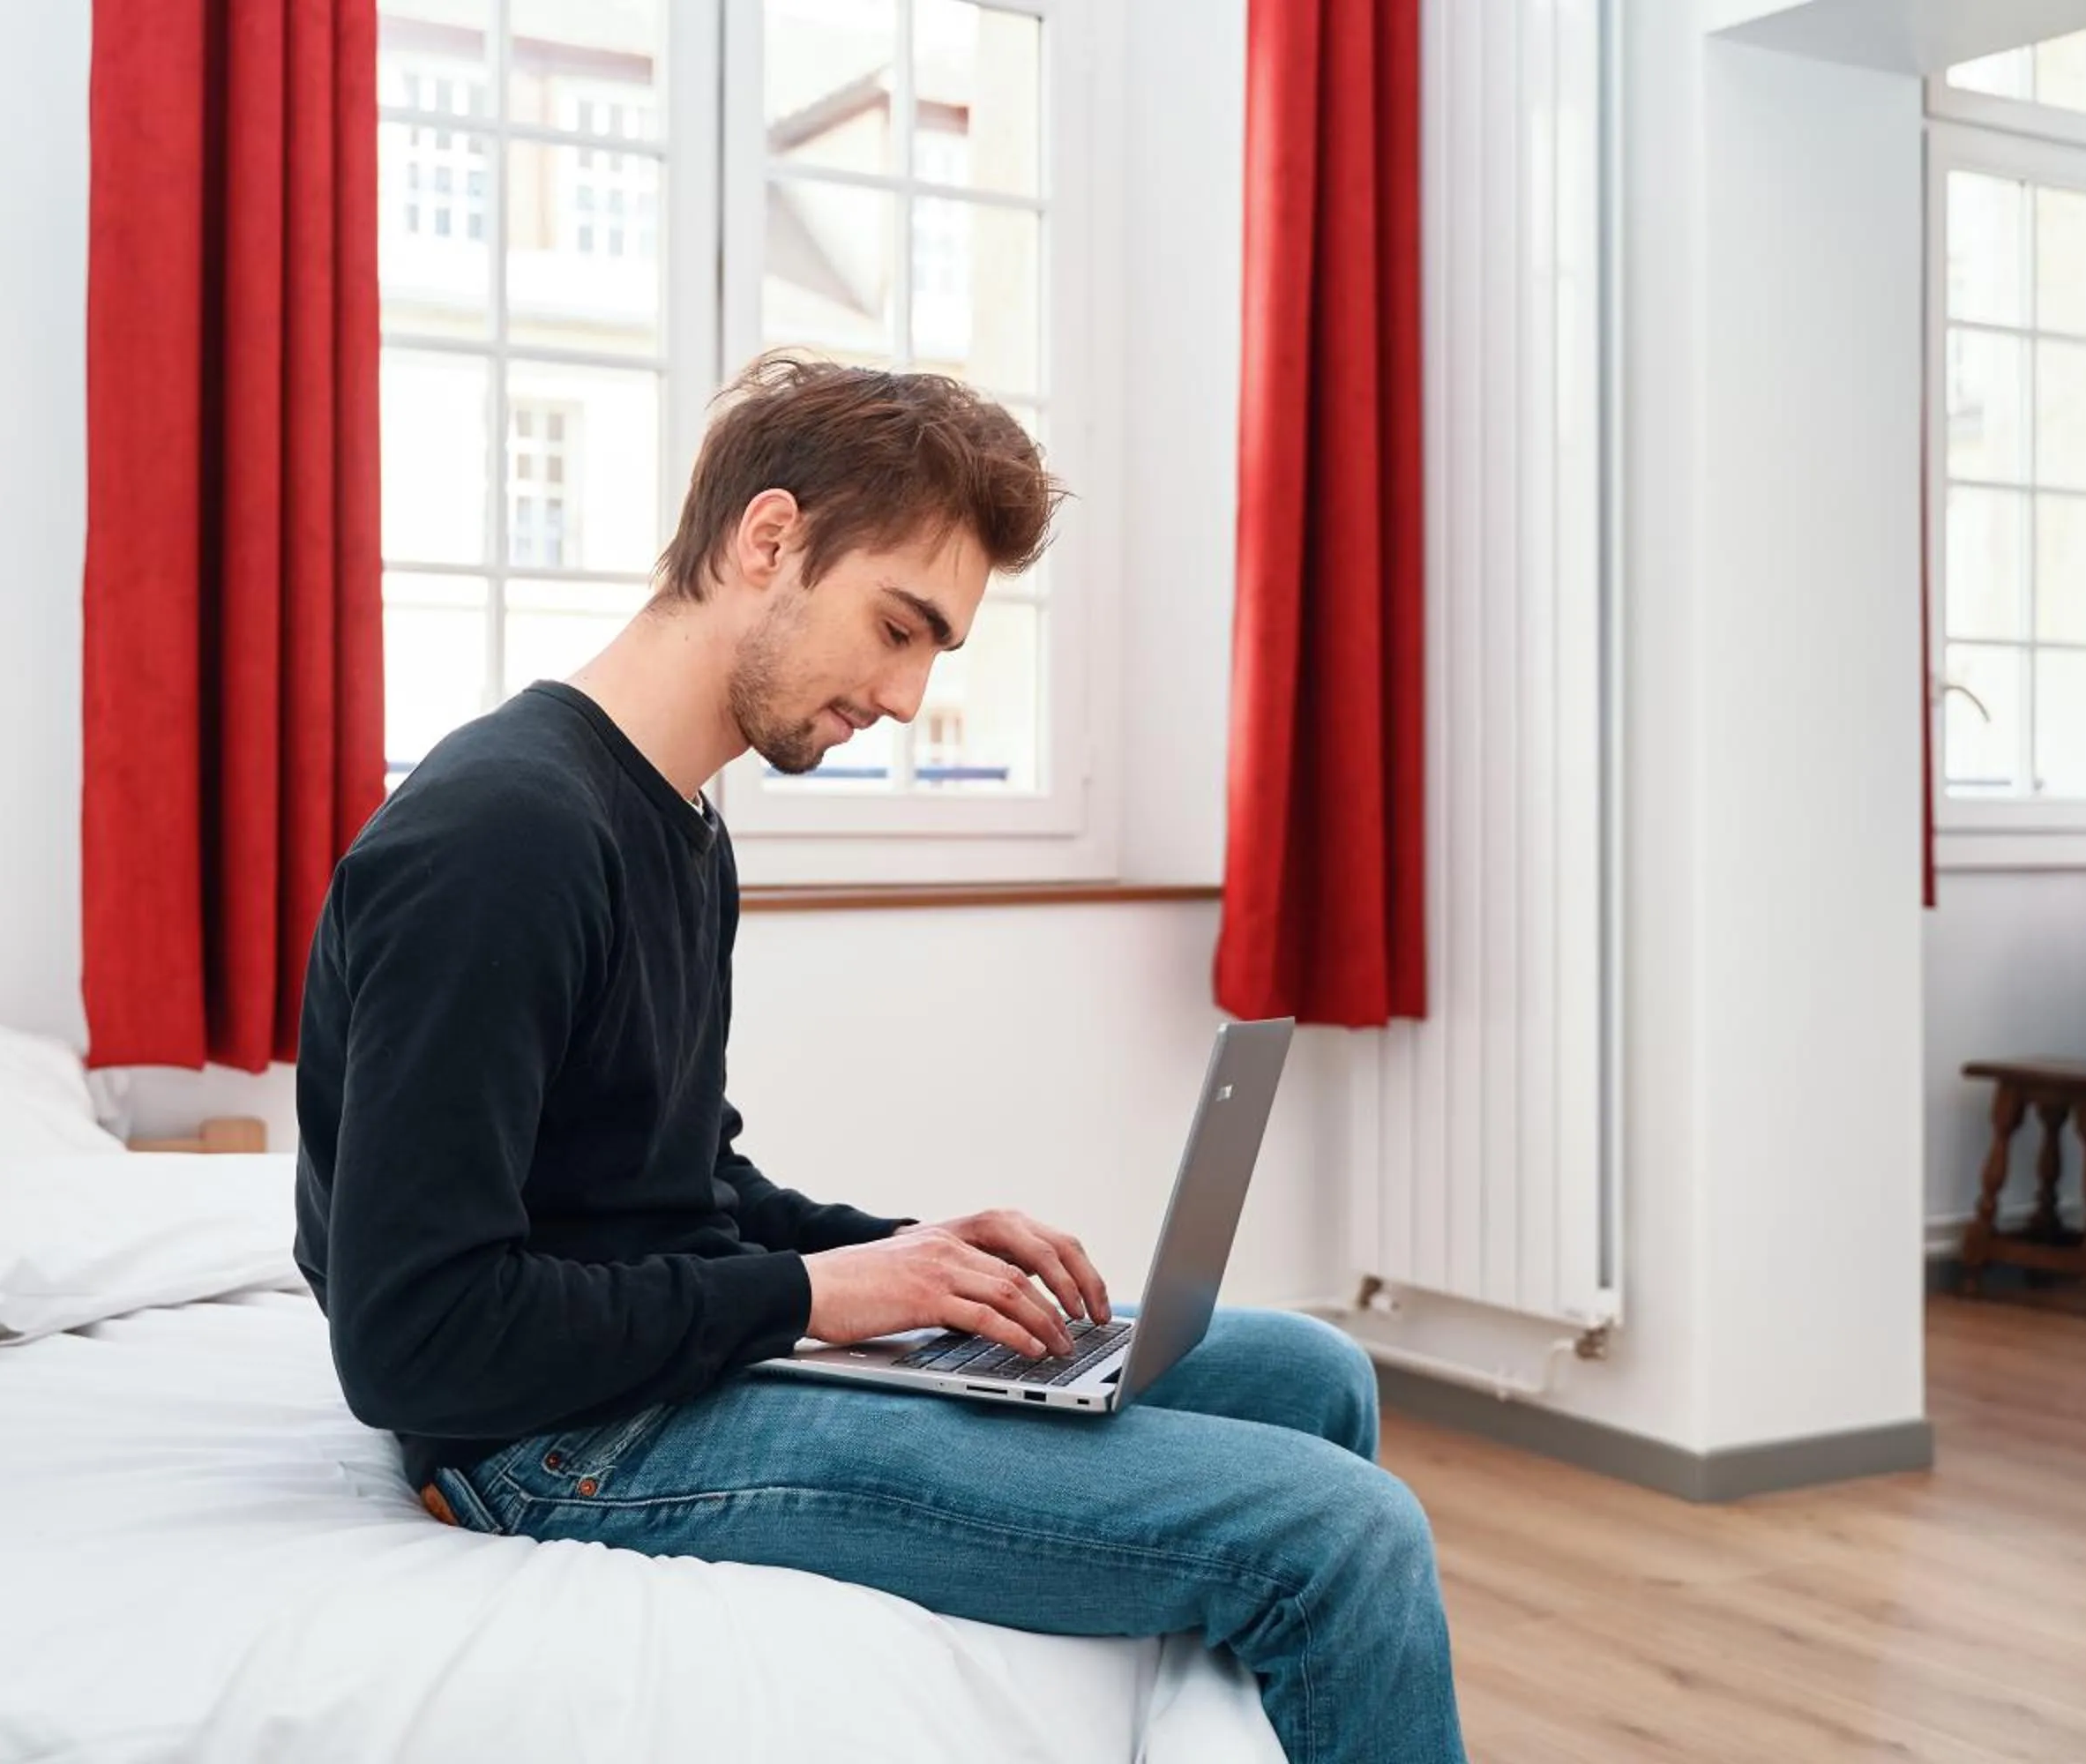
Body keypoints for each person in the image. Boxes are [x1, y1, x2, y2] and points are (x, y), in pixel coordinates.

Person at [294, 354, 1469, 1763]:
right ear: (770, 540)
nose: (908, 699)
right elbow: (411, 1340)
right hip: (551, 1442)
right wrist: (818, 1296)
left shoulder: (676, 818)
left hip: (660, 1370)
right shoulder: (502, 838)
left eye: (937, 654)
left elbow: (675, 1184)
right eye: (898, 628)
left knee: (1308, 1374)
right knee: (1343, 1537)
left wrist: (914, 1260)